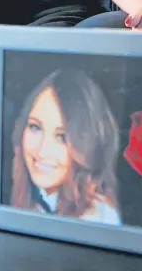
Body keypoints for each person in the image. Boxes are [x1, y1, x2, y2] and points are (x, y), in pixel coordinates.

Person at [10, 68, 121, 225]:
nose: (42, 151)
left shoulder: (96, 218)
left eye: (61, 137)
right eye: (35, 127)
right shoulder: (31, 195)